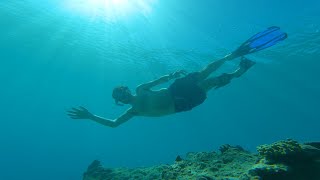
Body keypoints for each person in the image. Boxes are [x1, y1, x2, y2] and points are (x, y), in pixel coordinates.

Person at [67, 26, 287, 128]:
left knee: (205, 71)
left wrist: (172, 74)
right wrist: (90, 116)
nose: (124, 95)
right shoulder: (133, 111)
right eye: (120, 95)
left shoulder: (142, 88)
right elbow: (114, 124)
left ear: (126, 90)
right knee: (210, 82)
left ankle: (234, 55)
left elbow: (160, 81)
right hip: (182, 103)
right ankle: (239, 70)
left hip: (175, 90)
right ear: (120, 101)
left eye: (123, 91)